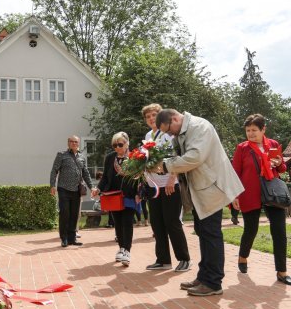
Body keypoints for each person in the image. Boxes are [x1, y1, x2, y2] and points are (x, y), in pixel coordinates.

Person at [156, 109, 244, 296]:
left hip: (212, 188)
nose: (170, 135)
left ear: (174, 119)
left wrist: (165, 165)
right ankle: (204, 276)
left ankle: (213, 283)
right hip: (201, 190)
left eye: (169, 130)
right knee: (203, 232)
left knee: (211, 234)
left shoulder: (199, 126)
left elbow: (194, 157)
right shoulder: (184, 131)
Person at [231, 114, 291, 286]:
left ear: (263, 129)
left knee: (279, 232)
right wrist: (234, 196)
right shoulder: (242, 148)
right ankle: (243, 257)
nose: (250, 134)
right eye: (248, 130)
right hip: (250, 194)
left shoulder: (273, 144)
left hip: (273, 193)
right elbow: (235, 173)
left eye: (254, 130)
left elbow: (281, 168)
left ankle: (282, 272)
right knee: (251, 230)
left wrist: (279, 162)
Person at [140, 103, 191, 272]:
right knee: (157, 223)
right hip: (154, 187)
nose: (151, 119)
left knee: (172, 222)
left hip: (170, 184)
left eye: (154, 115)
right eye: (148, 117)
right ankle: (163, 260)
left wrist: (172, 179)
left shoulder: (169, 134)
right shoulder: (148, 136)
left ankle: (184, 259)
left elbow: (178, 156)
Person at [93, 132, 139, 266]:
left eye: (120, 144)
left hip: (129, 194)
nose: (117, 147)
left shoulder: (134, 157)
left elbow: (139, 178)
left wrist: (139, 193)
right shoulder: (110, 158)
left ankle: (127, 251)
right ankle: (121, 248)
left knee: (127, 222)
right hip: (113, 195)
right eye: (115, 145)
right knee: (117, 223)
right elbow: (105, 178)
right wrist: (98, 189)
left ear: (127, 143)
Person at [50, 136, 92, 247]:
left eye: (76, 142)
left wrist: (92, 187)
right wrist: (52, 185)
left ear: (78, 144)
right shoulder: (61, 155)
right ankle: (64, 238)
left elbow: (86, 174)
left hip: (76, 190)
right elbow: (54, 171)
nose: (74, 143)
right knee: (64, 213)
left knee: (74, 215)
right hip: (63, 188)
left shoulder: (82, 157)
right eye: (72, 141)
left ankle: (72, 239)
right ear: (68, 143)